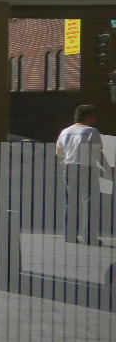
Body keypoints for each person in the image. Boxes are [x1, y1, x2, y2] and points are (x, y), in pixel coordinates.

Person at [55, 103, 111, 245]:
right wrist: (108, 168)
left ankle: (69, 235)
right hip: (87, 168)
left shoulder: (65, 131)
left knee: (70, 203)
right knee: (89, 203)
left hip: (69, 167)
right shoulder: (92, 131)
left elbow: (58, 151)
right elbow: (98, 153)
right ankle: (89, 237)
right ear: (90, 117)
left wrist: (68, 158)